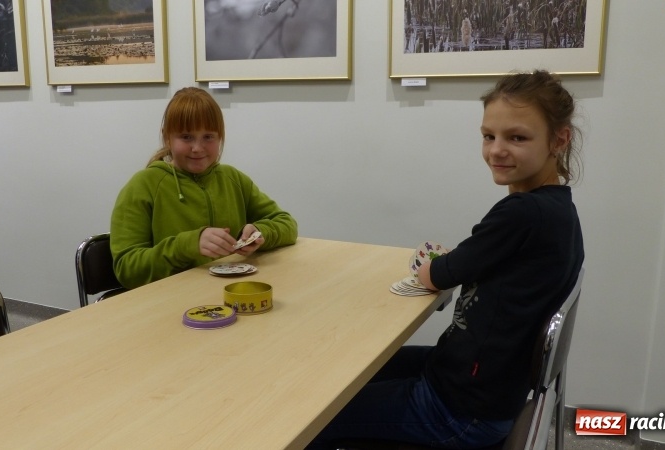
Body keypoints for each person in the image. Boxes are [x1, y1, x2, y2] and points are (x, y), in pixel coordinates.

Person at [308, 70, 585, 449]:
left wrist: (431, 269)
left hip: (460, 411)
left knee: (315, 416)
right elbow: (484, 260)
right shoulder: (557, 208)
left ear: (559, 139)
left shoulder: (523, 213)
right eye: (489, 136)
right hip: (480, 385)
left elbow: (442, 273)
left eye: (517, 137)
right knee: (352, 373)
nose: (496, 150)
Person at [110, 87, 298, 289]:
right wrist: (187, 246)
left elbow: (287, 224)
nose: (197, 148)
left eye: (208, 137)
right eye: (186, 137)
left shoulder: (232, 179)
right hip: (168, 301)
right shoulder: (143, 186)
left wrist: (262, 232)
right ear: (167, 137)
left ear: (220, 138)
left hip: (226, 295)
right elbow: (127, 269)